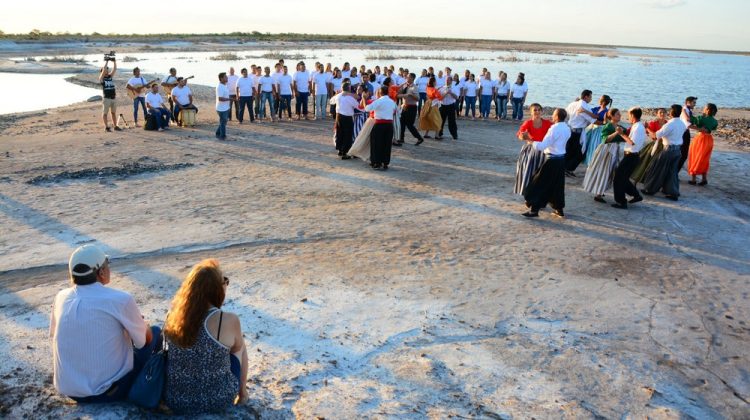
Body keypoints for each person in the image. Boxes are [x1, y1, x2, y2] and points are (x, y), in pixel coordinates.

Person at [50, 245, 159, 402]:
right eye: (107, 264)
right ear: (101, 272)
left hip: (69, 390)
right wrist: (141, 324)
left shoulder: (61, 297)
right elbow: (144, 342)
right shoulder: (120, 299)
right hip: (107, 392)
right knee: (154, 332)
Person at [164, 259, 249, 413]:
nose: (226, 285)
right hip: (217, 400)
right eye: (224, 282)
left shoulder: (173, 316)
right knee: (240, 347)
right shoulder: (228, 319)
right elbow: (238, 350)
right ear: (216, 289)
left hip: (177, 400)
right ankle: (243, 394)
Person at [522, 108, 571, 218]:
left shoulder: (554, 129)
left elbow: (542, 146)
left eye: (553, 114)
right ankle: (559, 209)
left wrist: (529, 140)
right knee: (557, 185)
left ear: (557, 117)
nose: (552, 116)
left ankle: (534, 210)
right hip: (561, 160)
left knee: (539, 184)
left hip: (552, 160)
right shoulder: (567, 128)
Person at [641, 104, 687, 200]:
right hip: (677, 150)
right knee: (672, 172)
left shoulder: (669, 124)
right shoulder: (682, 124)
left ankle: (649, 189)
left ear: (671, 112)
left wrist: (647, 128)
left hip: (668, 149)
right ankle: (672, 193)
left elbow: (654, 136)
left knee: (657, 168)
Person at [582, 108, 625, 203]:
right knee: (603, 170)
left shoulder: (619, 126)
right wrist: (616, 133)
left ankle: (600, 191)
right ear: (612, 116)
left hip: (614, 150)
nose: (620, 116)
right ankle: (598, 194)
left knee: (609, 171)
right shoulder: (608, 126)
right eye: (617, 114)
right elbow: (605, 139)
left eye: (619, 114)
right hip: (606, 151)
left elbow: (625, 136)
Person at [611, 107, 646, 209]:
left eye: (629, 115)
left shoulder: (638, 127)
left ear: (632, 115)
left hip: (631, 156)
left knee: (618, 178)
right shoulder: (637, 126)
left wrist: (622, 133)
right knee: (623, 178)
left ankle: (621, 202)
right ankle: (636, 195)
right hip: (632, 156)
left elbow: (632, 142)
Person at [514, 103, 552, 195]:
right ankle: (528, 194)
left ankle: (540, 195)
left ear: (542, 111)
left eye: (539, 110)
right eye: (535, 110)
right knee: (529, 174)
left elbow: (556, 131)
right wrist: (523, 136)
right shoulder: (528, 123)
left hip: (544, 150)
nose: (537, 112)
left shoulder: (547, 123)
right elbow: (520, 135)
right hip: (531, 150)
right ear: (531, 112)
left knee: (542, 175)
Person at [564, 90, 598, 175]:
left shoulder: (572, 104)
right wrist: (604, 123)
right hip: (577, 132)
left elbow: (565, 114)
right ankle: (568, 169)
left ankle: (564, 168)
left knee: (569, 150)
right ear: (586, 96)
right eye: (590, 97)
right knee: (580, 153)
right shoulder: (584, 106)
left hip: (570, 129)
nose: (591, 99)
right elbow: (593, 120)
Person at [631, 108, 668, 184]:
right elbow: (652, 136)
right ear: (657, 114)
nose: (662, 114)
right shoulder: (653, 123)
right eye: (660, 112)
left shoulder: (667, 123)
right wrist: (649, 130)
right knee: (647, 162)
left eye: (664, 112)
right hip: (655, 144)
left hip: (665, 145)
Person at [366, 86, 397, 170]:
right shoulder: (392, 102)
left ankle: (376, 162)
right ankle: (385, 163)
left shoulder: (378, 101)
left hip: (379, 124)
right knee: (387, 144)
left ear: (380, 92)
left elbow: (367, 109)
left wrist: (364, 98)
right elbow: (396, 111)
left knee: (376, 143)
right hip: (389, 125)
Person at [687, 103, 719, 186]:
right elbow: (714, 127)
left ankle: (693, 179)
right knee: (704, 159)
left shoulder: (701, 118)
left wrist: (686, 111)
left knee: (695, 156)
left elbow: (691, 120)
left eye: (704, 108)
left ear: (707, 110)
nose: (703, 109)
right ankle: (704, 178)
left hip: (700, 139)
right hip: (709, 140)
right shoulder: (714, 121)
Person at [331, 82, 361, 159]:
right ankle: (344, 152)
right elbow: (358, 107)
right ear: (349, 88)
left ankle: (340, 150)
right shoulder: (350, 98)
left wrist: (337, 94)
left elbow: (331, 101)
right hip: (347, 117)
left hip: (339, 117)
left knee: (340, 133)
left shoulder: (338, 96)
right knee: (347, 135)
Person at [581, 95, 611, 166]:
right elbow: (591, 112)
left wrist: (584, 111)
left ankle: (592, 163)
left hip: (599, 130)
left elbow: (596, 116)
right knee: (587, 145)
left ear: (603, 102)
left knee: (594, 146)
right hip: (593, 128)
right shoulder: (597, 108)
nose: (598, 100)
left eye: (599, 99)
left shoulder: (606, 112)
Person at [397, 73, 424, 145]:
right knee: (402, 123)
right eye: (407, 77)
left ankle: (419, 138)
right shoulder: (405, 85)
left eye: (408, 77)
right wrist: (401, 87)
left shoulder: (414, 87)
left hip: (411, 107)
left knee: (409, 124)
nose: (406, 78)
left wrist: (411, 95)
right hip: (404, 106)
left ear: (412, 78)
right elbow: (398, 94)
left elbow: (418, 98)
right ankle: (401, 138)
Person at [98, 57, 121, 132]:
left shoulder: (110, 77)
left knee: (113, 112)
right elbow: (103, 70)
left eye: (107, 70)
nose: (107, 71)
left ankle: (115, 126)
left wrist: (114, 62)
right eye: (105, 70)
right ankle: (106, 127)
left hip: (113, 97)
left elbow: (114, 69)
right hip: (106, 98)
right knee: (105, 113)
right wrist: (106, 62)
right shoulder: (101, 79)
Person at [679, 96, 698, 171]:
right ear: (688, 102)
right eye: (694, 103)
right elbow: (688, 124)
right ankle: (674, 173)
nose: (695, 104)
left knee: (683, 155)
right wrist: (700, 129)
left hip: (685, 132)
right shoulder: (685, 110)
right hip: (683, 133)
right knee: (683, 155)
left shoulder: (687, 110)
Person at [215, 72, 232, 140]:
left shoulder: (224, 85)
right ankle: (222, 136)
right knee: (223, 122)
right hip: (221, 108)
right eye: (225, 77)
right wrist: (230, 99)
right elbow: (220, 98)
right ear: (221, 78)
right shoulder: (220, 87)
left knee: (223, 121)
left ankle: (218, 132)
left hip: (225, 107)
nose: (227, 78)